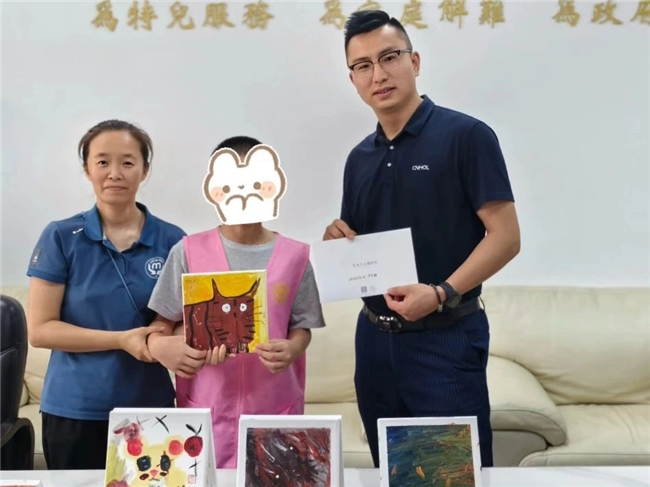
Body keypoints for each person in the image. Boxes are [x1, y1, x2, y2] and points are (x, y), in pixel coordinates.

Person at [323, 10, 521, 469]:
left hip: (445, 337)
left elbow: (506, 237)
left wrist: (440, 292)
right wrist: (337, 241)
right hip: (374, 342)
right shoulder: (359, 158)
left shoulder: (466, 136)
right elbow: (361, 244)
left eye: (389, 57)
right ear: (353, 80)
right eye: (363, 66)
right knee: (392, 473)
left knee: (449, 474)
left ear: (414, 61)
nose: (378, 74)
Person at [146, 135, 326, 468]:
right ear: (215, 190)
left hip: (275, 404)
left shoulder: (295, 256)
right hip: (207, 404)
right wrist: (171, 347)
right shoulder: (187, 252)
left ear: (272, 187)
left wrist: (293, 348)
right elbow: (161, 324)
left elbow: (302, 326)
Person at [25, 119, 186, 470]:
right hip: (74, 409)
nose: (115, 173)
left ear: (144, 170)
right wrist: (120, 340)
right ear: (87, 169)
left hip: (151, 408)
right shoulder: (60, 237)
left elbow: (182, 319)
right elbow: (40, 330)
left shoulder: (174, 240)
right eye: (102, 162)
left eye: (127, 162)